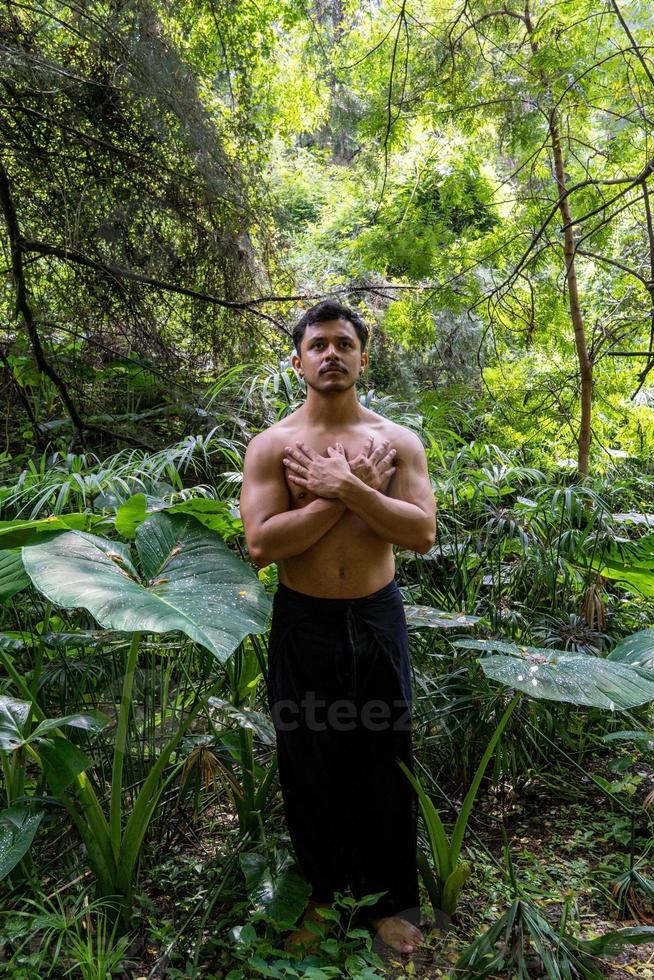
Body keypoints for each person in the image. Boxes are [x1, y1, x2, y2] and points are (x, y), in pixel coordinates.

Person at [240, 300, 436, 954]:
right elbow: (263, 544)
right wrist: (340, 492)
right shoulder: (272, 446)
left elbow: (421, 534)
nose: (331, 354)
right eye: (318, 344)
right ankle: (322, 899)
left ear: (362, 357)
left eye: (343, 344)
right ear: (296, 360)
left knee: (385, 757)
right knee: (309, 760)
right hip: (304, 620)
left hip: (377, 616)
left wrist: (349, 489)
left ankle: (390, 905)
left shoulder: (398, 442)